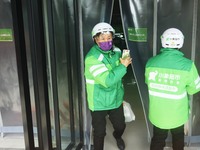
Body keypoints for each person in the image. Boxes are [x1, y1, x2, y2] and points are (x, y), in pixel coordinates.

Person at [145, 28, 200, 150]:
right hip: (178, 114)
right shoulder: (188, 65)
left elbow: (148, 82)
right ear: (181, 42)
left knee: (158, 138)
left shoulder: (150, 63)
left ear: (163, 41)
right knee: (178, 138)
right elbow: (193, 89)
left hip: (157, 114)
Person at [84, 22, 132, 150]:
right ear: (95, 39)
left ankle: (117, 136)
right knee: (99, 132)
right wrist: (123, 66)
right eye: (103, 38)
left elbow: (118, 73)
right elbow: (108, 80)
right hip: (98, 102)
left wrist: (123, 62)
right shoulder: (92, 59)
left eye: (109, 38)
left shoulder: (116, 51)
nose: (107, 41)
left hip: (115, 99)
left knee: (120, 126)